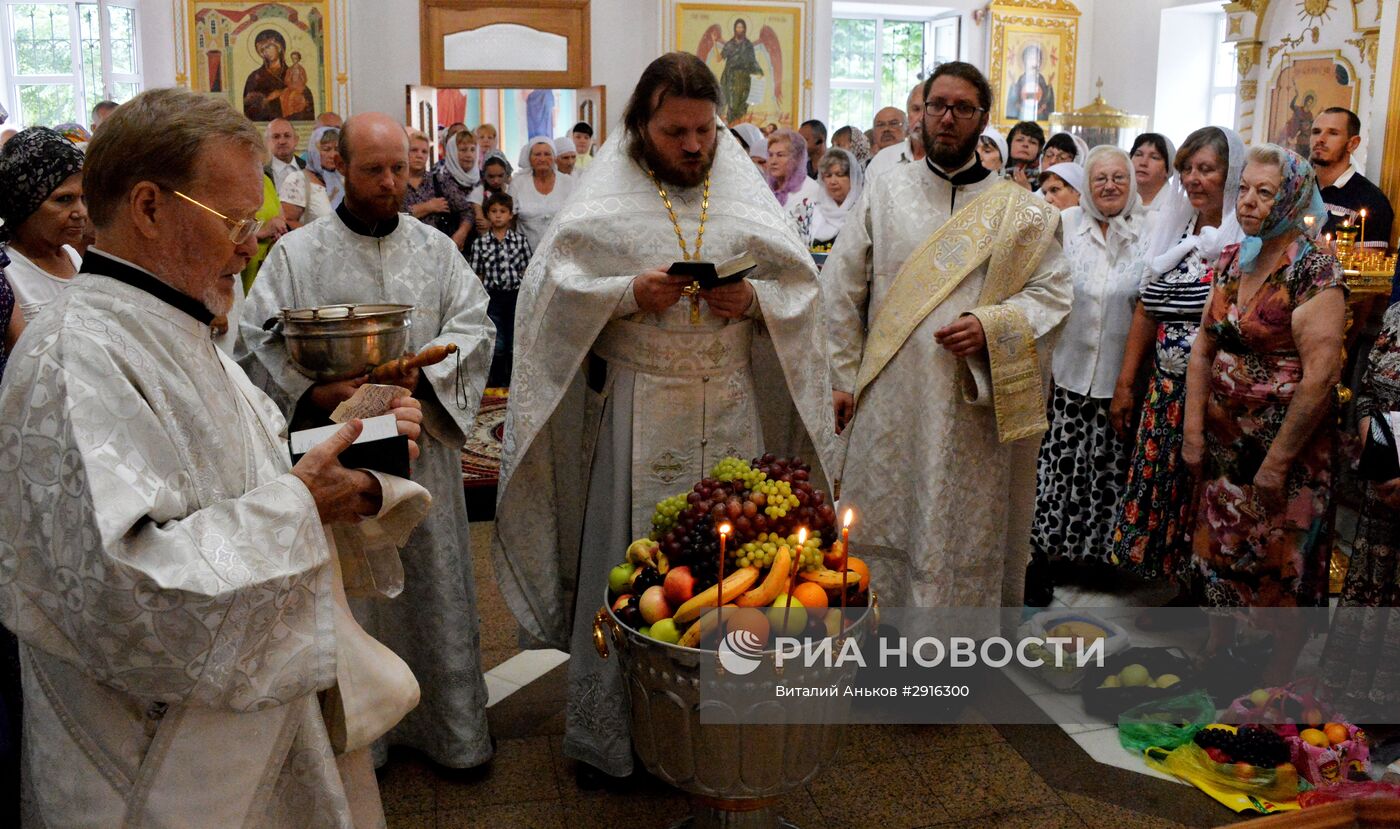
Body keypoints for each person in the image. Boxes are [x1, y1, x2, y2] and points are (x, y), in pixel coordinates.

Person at [0, 86, 428, 828]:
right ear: (148, 207)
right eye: (233, 218)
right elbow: (125, 585)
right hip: (155, 769)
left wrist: (351, 441)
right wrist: (304, 501)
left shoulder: (175, 323)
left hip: (243, 730)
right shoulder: (75, 354)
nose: (254, 240)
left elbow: (231, 471)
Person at [493, 51, 834, 780]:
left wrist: (757, 303)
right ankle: (614, 731)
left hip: (731, 404)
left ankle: (721, 727)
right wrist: (622, 294)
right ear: (641, 125)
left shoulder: (743, 193)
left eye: (705, 131)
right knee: (627, 554)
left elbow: (803, 289)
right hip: (638, 406)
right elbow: (549, 294)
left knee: (731, 565)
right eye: (676, 131)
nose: (692, 146)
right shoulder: (605, 195)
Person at [240, 111, 497, 771]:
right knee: (353, 588)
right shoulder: (299, 253)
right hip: (339, 448)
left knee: (431, 582)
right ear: (342, 168)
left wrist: (428, 375)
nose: (391, 183)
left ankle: (451, 733)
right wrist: (314, 391)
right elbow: (253, 337)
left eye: (400, 170)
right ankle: (368, 740)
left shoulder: (435, 249)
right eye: (374, 169)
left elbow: (476, 326)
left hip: (419, 444)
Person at [824, 61, 1070, 627]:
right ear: (922, 111)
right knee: (890, 513)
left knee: (961, 518)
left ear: (983, 119)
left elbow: (1054, 294)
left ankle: (955, 647)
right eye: (936, 105)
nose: (946, 118)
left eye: (962, 107)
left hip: (972, 403)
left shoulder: (1025, 213)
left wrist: (992, 324)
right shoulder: (884, 195)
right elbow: (840, 290)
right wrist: (841, 377)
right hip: (892, 396)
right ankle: (877, 630)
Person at [1184, 144, 1345, 684]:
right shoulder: (1235, 258)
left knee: (1281, 554)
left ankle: (1276, 676)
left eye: (1265, 192)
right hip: (1227, 440)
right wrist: (1192, 432)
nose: (1248, 202)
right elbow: (1204, 348)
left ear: (1293, 195)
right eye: (1245, 189)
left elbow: (1321, 374)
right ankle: (1216, 647)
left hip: (1287, 451)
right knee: (1219, 545)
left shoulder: (1314, 268)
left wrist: (1277, 461)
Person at [1110, 126, 1245, 596]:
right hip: (1165, 388)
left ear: (1231, 176)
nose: (1193, 178)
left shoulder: (1241, 234)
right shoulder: (1179, 229)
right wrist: (1127, 383)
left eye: (1206, 169)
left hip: (1213, 396)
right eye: (1187, 168)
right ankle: (1171, 582)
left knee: (1203, 492)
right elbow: (1148, 306)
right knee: (1165, 490)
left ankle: (1201, 590)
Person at [1026, 146, 1149, 603]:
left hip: (1120, 373)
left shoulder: (1149, 231)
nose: (1110, 186)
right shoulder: (1065, 224)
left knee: (1107, 469)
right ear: (1087, 183)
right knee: (1060, 465)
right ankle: (1049, 555)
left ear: (1131, 183)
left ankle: (1102, 561)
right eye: (1101, 178)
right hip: (1066, 369)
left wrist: (1130, 382)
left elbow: (1147, 305)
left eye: (1119, 177)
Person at [1322, 302, 1400, 719]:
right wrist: (1384, 457)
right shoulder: (1396, 316)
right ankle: (1371, 698)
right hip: (1387, 481)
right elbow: (1368, 394)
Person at [0, 127, 85, 318]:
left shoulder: (72, 256)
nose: (81, 212)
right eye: (64, 199)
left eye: (84, 198)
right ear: (26, 203)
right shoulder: (8, 272)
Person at [468, 192, 531, 387]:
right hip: (492, 297)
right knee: (497, 340)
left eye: (502, 211)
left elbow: (527, 269)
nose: (498, 215)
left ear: (511, 215)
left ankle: (515, 383)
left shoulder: (520, 241)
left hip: (515, 296)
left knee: (515, 339)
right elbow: (476, 274)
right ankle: (497, 383)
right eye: (493, 211)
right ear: (487, 214)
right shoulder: (480, 244)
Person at [1312, 107, 1393, 244]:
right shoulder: (1298, 189)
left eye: (1333, 133)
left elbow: (1367, 261)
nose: (1320, 139)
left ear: (1352, 143)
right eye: (1316, 132)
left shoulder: (1371, 201)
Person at [509, 136, 576, 249]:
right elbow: (509, 219)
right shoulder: (518, 183)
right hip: (525, 253)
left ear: (554, 157)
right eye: (537, 154)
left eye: (547, 154)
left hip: (561, 250)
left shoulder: (568, 183)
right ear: (529, 158)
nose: (542, 159)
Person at [243, 29, 313, 121]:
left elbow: (307, 100)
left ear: (279, 47)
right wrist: (266, 100)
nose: (265, 52)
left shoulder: (293, 72)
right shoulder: (255, 77)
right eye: (262, 50)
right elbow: (248, 108)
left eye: (268, 47)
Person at [430, 128, 482, 252]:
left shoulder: (481, 177)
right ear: (452, 151)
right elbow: (466, 209)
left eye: (472, 150)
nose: (469, 155)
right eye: (463, 150)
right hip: (450, 245)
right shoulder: (441, 178)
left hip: (479, 248)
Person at [766, 128, 821, 244]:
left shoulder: (811, 190)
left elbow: (806, 236)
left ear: (796, 158)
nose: (773, 161)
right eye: (770, 155)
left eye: (780, 155)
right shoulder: (765, 188)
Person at [866, 84, 928, 184]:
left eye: (893, 123)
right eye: (916, 109)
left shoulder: (952, 160)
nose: (921, 118)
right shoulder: (881, 160)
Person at [279, 125, 339, 227]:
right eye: (326, 149)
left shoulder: (345, 179)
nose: (333, 155)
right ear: (314, 152)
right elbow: (289, 221)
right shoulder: (297, 180)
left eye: (337, 149)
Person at [808, 147, 864, 249]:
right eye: (828, 176)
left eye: (839, 175)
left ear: (852, 178)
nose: (833, 181)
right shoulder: (811, 210)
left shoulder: (862, 211)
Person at [404, 127, 453, 234]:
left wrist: (460, 236)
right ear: (405, 152)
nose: (419, 155)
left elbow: (466, 210)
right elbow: (395, 216)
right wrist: (429, 206)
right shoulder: (396, 182)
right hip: (404, 244)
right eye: (414, 150)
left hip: (435, 245)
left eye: (424, 152)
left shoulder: (439, 180)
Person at [719, 19, 764, 123]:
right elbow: (719, 58)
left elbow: (752, 61)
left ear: (745, 29)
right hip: (731, 78)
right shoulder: (730, 44)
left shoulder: (748, 45)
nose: (739, 29)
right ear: (734, 29)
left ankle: (739, 128)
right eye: (738, 27)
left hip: (744, 78)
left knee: (742, 104)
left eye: (741, 27)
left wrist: (759, 72)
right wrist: (713, 41)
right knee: (732, 104)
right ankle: (732, 127)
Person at [1006, 41, 1055, 121]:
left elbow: (1048, 105)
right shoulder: (1020, 81)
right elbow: (1013, 105)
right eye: (1031, 58)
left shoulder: (1042, 80)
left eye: (1038, 59)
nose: (1035, 62)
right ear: (1025, 60)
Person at [1131, 132, 1176, 211]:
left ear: (1168, 169)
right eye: (1138, 154)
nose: (1143, 163)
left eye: (1154, 157)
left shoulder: (1179, 207)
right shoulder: (1119, 201)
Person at [264, 117, 306, 190]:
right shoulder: (260, 173)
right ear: (267, 142)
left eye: (287, 136)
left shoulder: (309, 168)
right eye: (276, 137)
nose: (282, 141)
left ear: (296, 140)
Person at [1005, 120, 1045, 190]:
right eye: (1020, 140)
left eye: (1032, 142)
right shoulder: (995, 172)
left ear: (1039, 149)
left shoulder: (1044, 180)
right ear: (1009, 144)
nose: (1025, 145)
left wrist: (1028, 190)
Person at [283, 51, 309, 117]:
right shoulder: (290, 69)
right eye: (293, 58)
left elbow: (304, 80)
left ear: (298, 59)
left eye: (295, 58)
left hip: (299, 87)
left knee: (292, 97)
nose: (294, 60)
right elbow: (286, 80)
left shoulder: (301, 69)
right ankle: (286, 114)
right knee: (283, 96)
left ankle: (291, 114)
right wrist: (290, 77)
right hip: (291, 87)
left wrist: (300, 75)